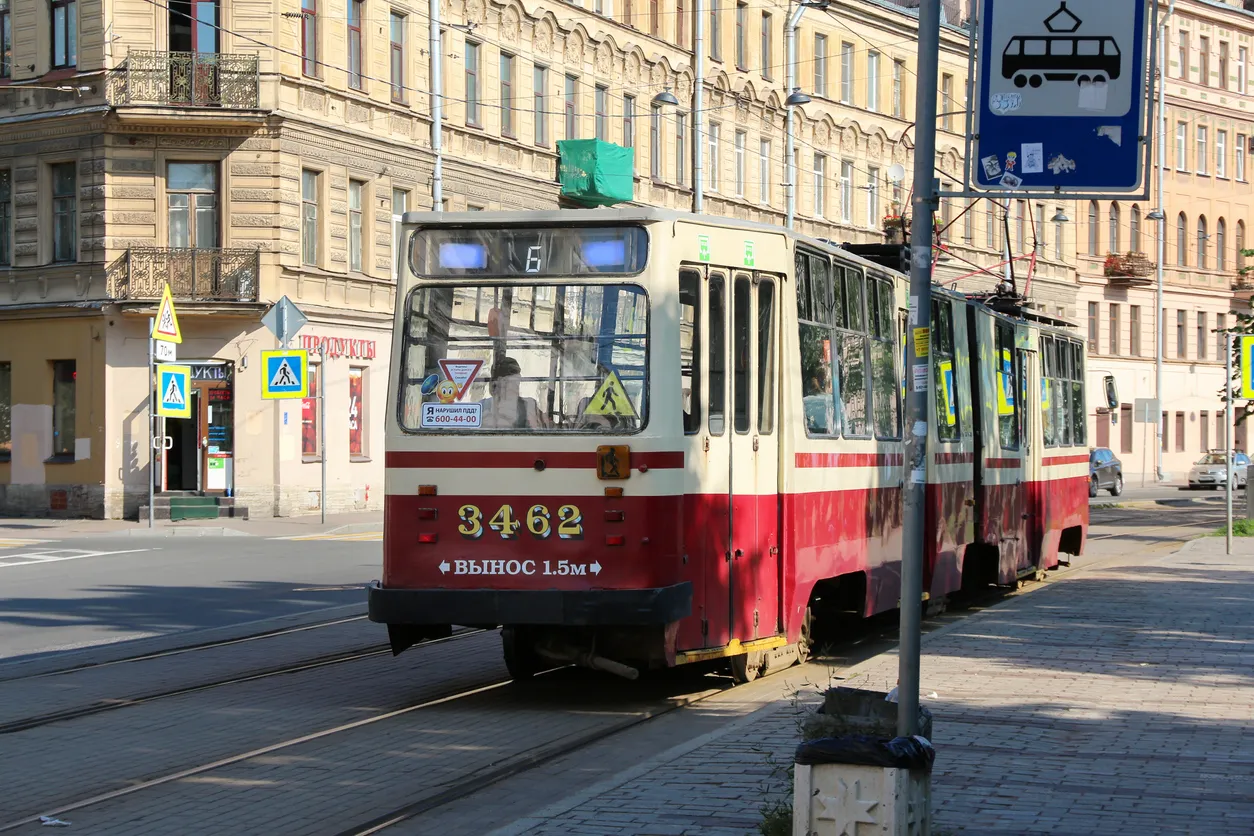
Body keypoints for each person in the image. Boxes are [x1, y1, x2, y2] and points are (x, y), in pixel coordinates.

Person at [480, 357, 546, 429]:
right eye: (511, 382)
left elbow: (544, 430)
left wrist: (534, 424)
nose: (517, 385)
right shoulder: (481, 407)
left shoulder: (529, 405)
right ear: (498, 382)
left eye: (518, 381)